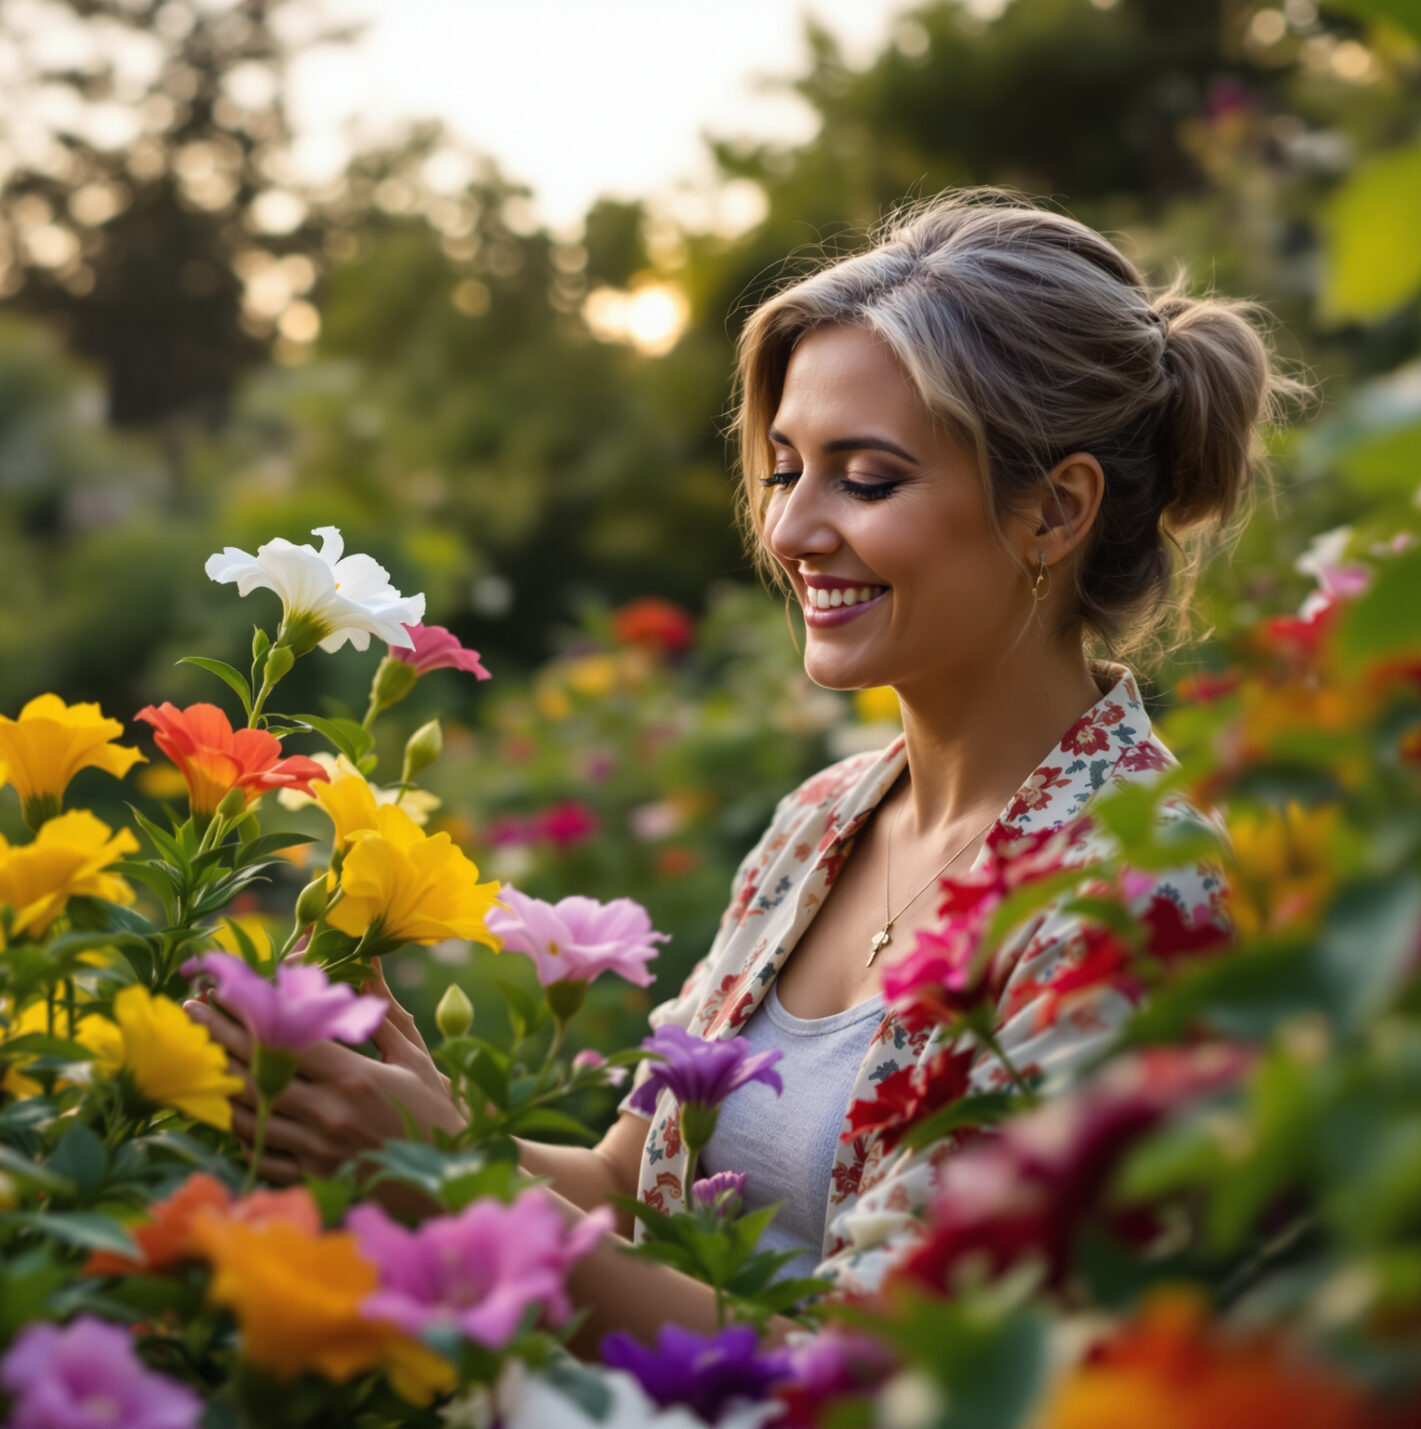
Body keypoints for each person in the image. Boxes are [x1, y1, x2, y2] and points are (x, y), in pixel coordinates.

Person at [186, 188, 1299, 1345]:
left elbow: (889, 1377)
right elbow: (628, 1185)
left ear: (1054, 510)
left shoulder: (1136, 895)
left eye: (864, 478)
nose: (793, 530)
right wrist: (411, 1118)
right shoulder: (822, 822)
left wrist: (443, 1185)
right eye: (784, 469)